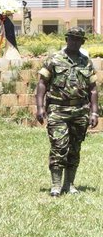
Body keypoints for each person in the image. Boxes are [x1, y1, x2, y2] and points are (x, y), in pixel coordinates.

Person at [35, 26, 98, 196]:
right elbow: (42, 84)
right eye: (72, 38)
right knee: (58, 146)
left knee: (75, 148)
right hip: (57, 109)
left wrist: (94, 112)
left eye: (78, 39)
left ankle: (69, 184)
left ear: (82, 42)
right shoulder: (54, 59)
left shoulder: (86, 62)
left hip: (80, 110)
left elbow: (93, 89)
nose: (74, 42)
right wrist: (40, 107)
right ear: (66, 40)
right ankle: (56, 185)